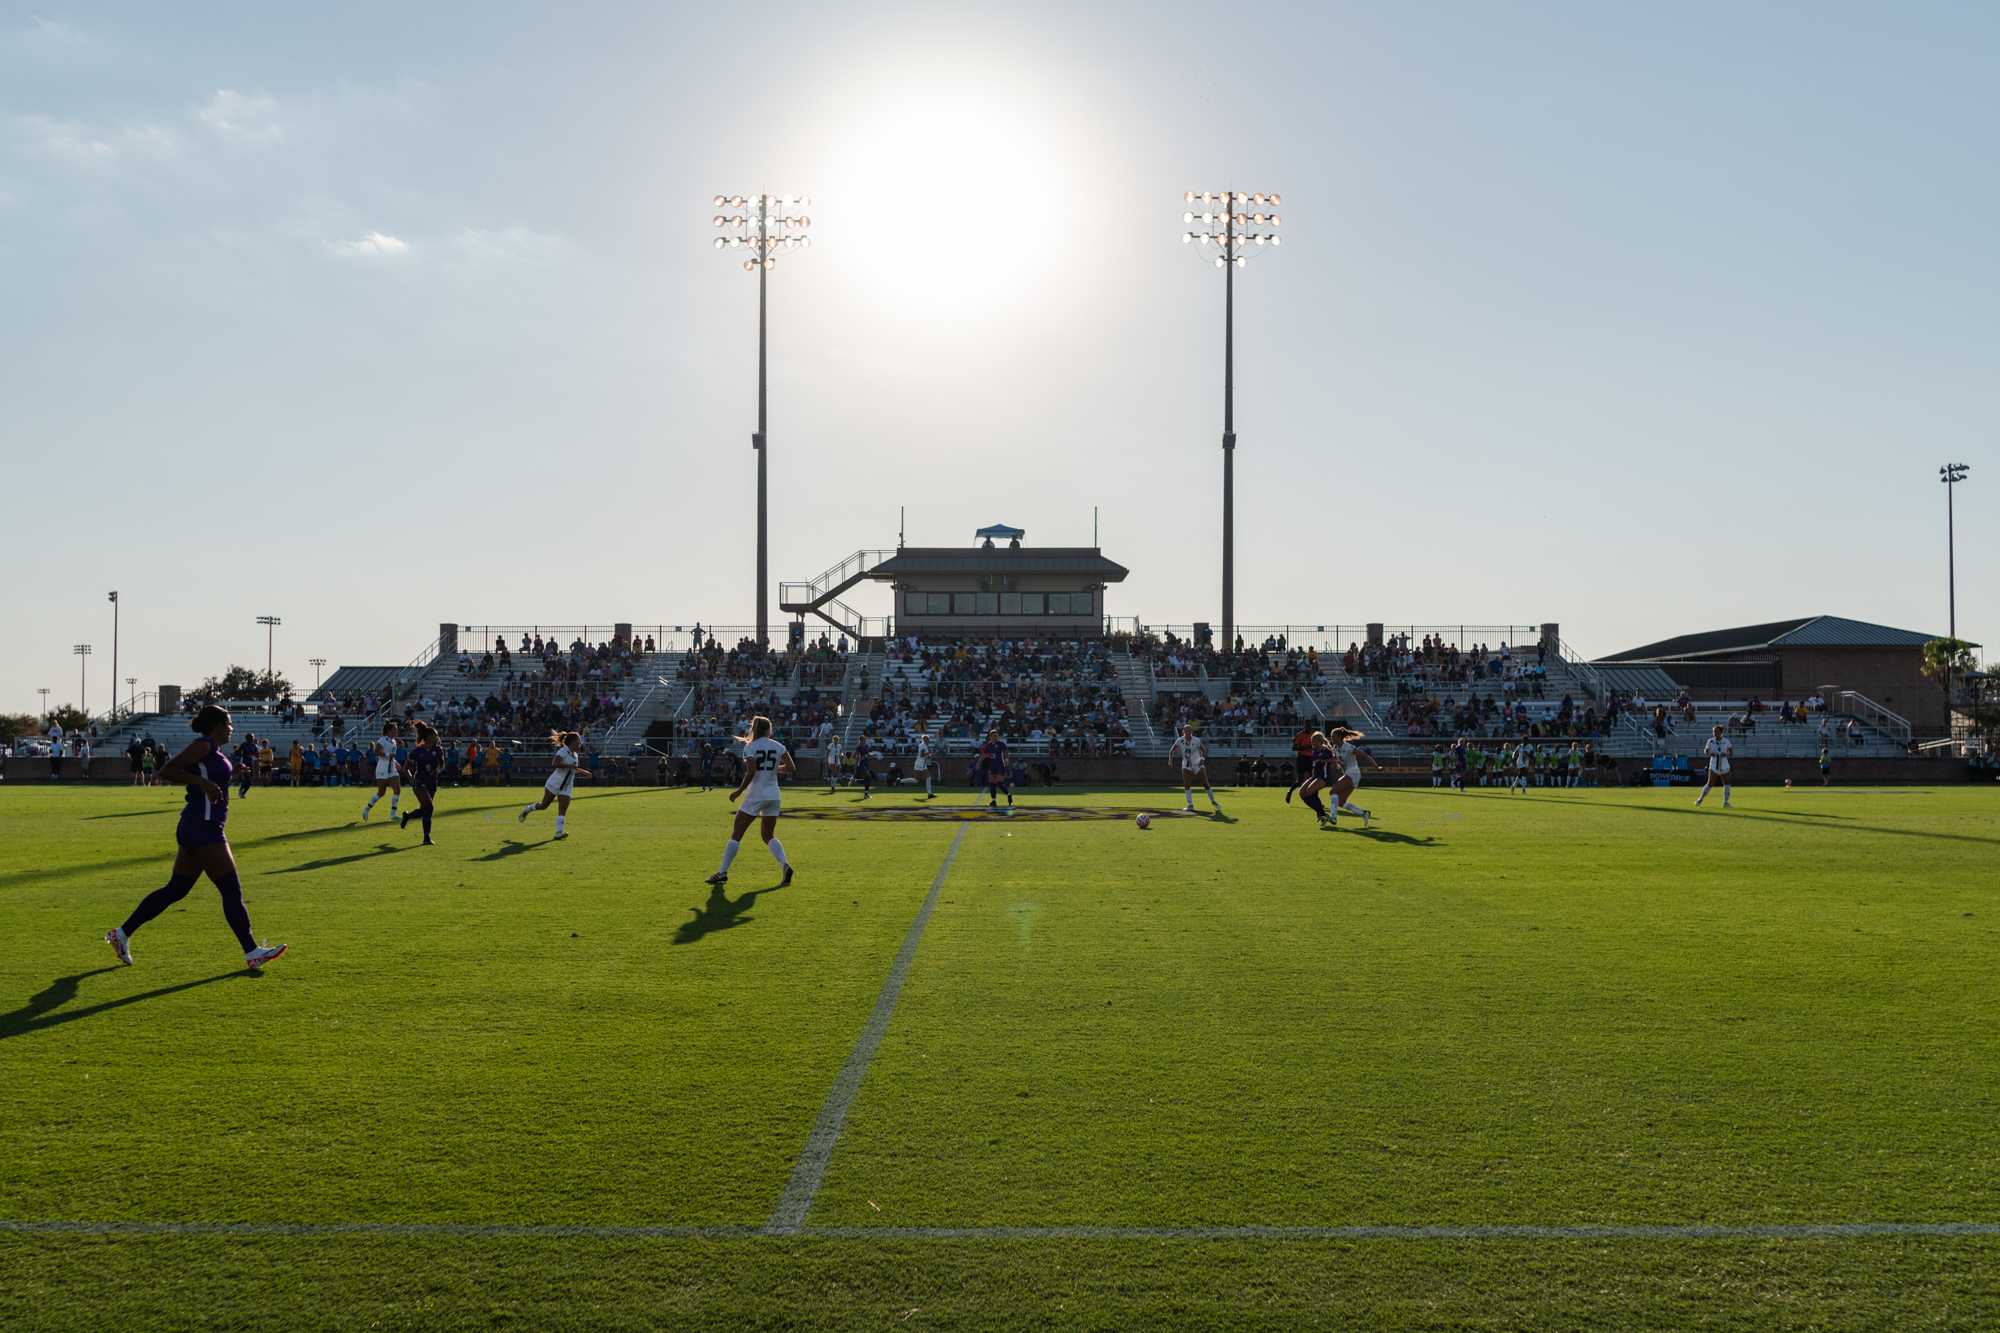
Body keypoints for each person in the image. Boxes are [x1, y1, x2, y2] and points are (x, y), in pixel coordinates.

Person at [103, 704, 287, 971]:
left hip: (199, 824)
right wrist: (203, 784)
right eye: (228, 723)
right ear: (216, 726)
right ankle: (251, 951)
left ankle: (121, 935)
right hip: (204, 826)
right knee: (230, 889)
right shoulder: (203, 745)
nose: (231, 728)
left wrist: (232, 774)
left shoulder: (215, 750)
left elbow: (207, 775)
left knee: (175, 890)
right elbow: (167, 770)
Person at [707, 715, 795, 887]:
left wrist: (739, 791)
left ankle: (722, 872)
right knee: (768, 835)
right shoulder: (778, 746)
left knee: (736, 835)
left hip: (756, 794)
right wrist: (774, 769)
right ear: (768, 729)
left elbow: (751, 771)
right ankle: (785, 864)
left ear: (754, 729)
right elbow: (791, 768)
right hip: (774, 795)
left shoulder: (751, 747)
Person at [519, 730, 589, 838]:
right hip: (555, 782)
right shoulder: (563, 751)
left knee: (562, 809)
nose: (580, 744)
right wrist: (568, 766)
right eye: (578, 741)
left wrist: (584, 772)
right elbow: (555, 763)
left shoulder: (575, 755)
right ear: (572, 742)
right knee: (544, 806)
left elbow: (573, 769)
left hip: (567, 785)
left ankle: (558, 832)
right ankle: (528, 809)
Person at [399, 720, 442, 845]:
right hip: (419, 782)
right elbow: (405, 768)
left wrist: (436, 770)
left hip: (432, 783)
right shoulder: (417, 751)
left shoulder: (438, 749)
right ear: (428, 737)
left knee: (424, 810)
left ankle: (408, 816)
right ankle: (426, 838)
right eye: (435, 736)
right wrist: (412, 780)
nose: (437, 738)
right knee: (429, 807)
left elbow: (441, 764)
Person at [1329, 726, 1381, 826]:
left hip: (1353, 773)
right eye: (1331, 736)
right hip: (1349, 774)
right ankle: (1363, 813)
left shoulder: (1348, 747)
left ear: (1339, 737)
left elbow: (1365, 756)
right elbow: (1340, 763)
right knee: (1341, 802)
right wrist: (1337, 765)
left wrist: (1376, 767)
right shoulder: (1335, 748)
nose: (1331, 738)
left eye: (1333, 736)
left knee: (1333, 791)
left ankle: (1333, 817)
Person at [1166, 723, 1222, 815]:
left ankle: (1213, 801)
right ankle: (1190, 805)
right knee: (1187, 785)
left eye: (1189, 730)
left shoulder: (1196, 740)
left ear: (1192, 731)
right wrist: (1170, 760)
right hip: (1186, 765)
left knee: (1205, 783)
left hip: (1197, 763)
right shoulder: (1179, 740)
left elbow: (1204, 750)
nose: (1187, 732)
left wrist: (1203, 759)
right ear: (1183, 731)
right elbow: (1172, 750)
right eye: (1186, 730)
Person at [361, 720, 402, 822]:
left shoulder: (394, 742)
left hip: (391, 767)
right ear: (389, 730)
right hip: (382, 768)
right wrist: (388, 755)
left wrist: (395, 762)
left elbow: (392, 755)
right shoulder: (382, 740)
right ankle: (367, 808)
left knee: (397, 790)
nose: (396, 732)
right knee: (381, 792)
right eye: (394, 730)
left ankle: (393, 814)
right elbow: (376, 752)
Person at [1696, 724, 1733, 808]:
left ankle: (1726, 802)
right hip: (1713, 765)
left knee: (1727, 783)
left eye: (1716, 731)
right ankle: (1700, 799)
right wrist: (1709, 753)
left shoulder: (1726, 741)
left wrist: (1726, 754)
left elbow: (1731, 752)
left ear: (1721, 732)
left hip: (1724, 765)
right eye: (1713, 732)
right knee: (1710, 783)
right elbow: (1706, 751)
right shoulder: (1710, 741)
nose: (1714, 733)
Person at [979, 727, 1013, 814]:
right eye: (993, 735)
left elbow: (1006, 752)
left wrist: (1006, 759)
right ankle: (993, 800)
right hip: (991, 766)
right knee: (992, 783)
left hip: (999, 765)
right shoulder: (988, 745)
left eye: (996, 735)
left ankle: (1008, 794)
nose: (995, 737)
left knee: (999, 783)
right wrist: (979, 762)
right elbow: (984, 755)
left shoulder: (1001, 744)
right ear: (990, 736)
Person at [1283, 723, 1316, 804]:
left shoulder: (1313, 734)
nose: (1308, 728)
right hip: (1302, 758)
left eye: (1309, 726)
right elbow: (1294, 748)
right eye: (1307, 726)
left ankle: (1315, 800)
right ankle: (1290, 792)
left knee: (1314, 779)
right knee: (1300, 779)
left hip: (1310, 758)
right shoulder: (1300, 735)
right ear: (1304, 727)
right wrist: (1306, 747)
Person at [913, 724, 935, 800]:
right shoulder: (922, 745)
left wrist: (929, 755)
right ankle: (901, 781)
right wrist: (929, 754)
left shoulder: (924, 745)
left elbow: (924, 755)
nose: (928, 740)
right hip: (920, 763)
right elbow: (922, 755)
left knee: (928, 778)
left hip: (923, 764)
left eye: (928, 739)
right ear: (924, 739)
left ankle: (930, 794)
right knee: (916, 780)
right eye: (927, 739)